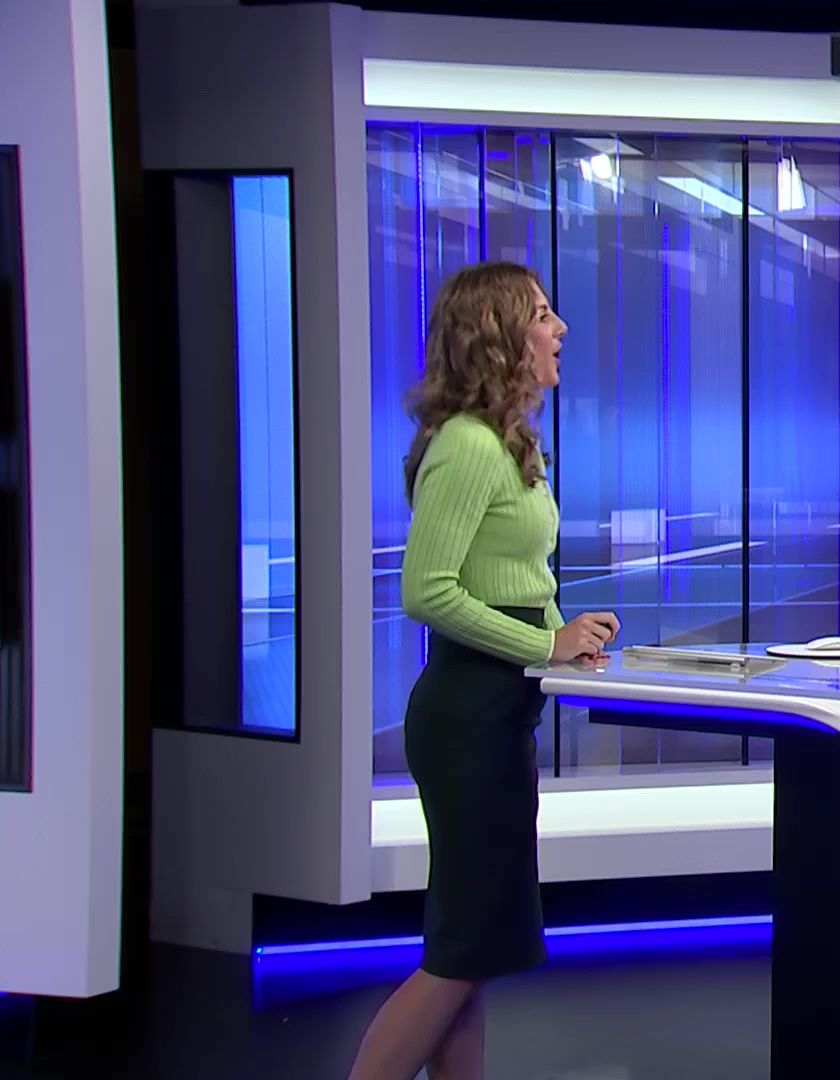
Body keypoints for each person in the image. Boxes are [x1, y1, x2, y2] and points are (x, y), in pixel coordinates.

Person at [350, 262, 619, 1080]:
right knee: (460, 953)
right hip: (466, 718)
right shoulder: (467, 446)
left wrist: (564, 634)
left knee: (469, 954)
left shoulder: (507, 442)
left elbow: (517, 577)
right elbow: (428, 592)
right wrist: (544, 645)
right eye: (541, 315)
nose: (559, 329)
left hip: (498, 717)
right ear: (500, 337)